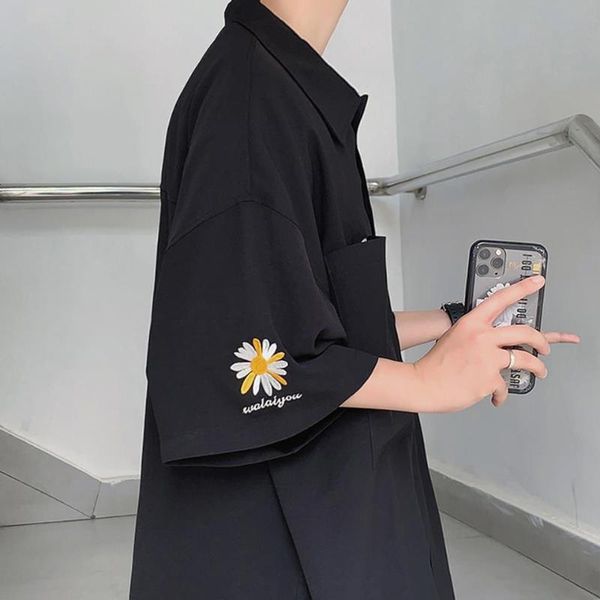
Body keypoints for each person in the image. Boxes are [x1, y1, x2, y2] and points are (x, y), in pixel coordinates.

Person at [129, 1, 580, 598]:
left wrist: (449, 323)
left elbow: (301, 317)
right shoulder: (251, 103)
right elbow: (238, 358)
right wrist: (425, 383)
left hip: (328, 500)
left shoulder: (277, 85)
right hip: (282, 531)